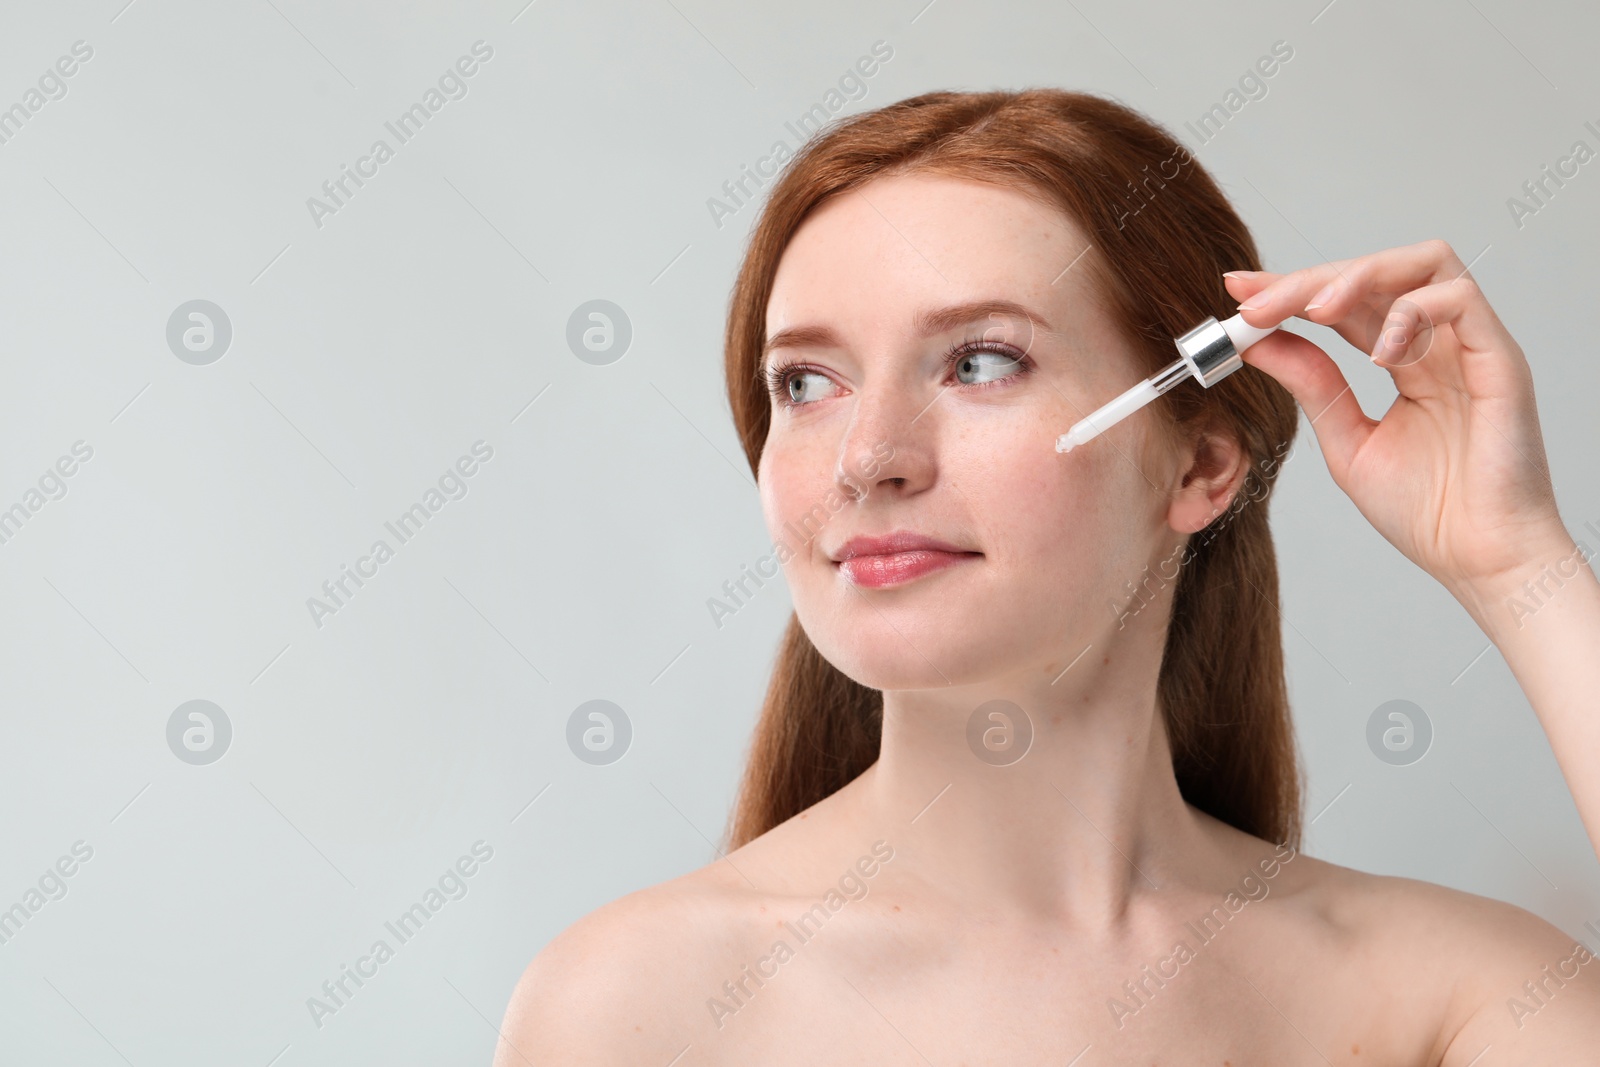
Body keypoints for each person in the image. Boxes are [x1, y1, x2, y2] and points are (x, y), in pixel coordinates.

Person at [494, 89, 1600, 1063]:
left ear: (1202, 460)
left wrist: (1515, 560)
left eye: (981, 361)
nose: (867, 456)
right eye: (805, 381)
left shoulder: (1451, 994)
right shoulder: (633, 1007)